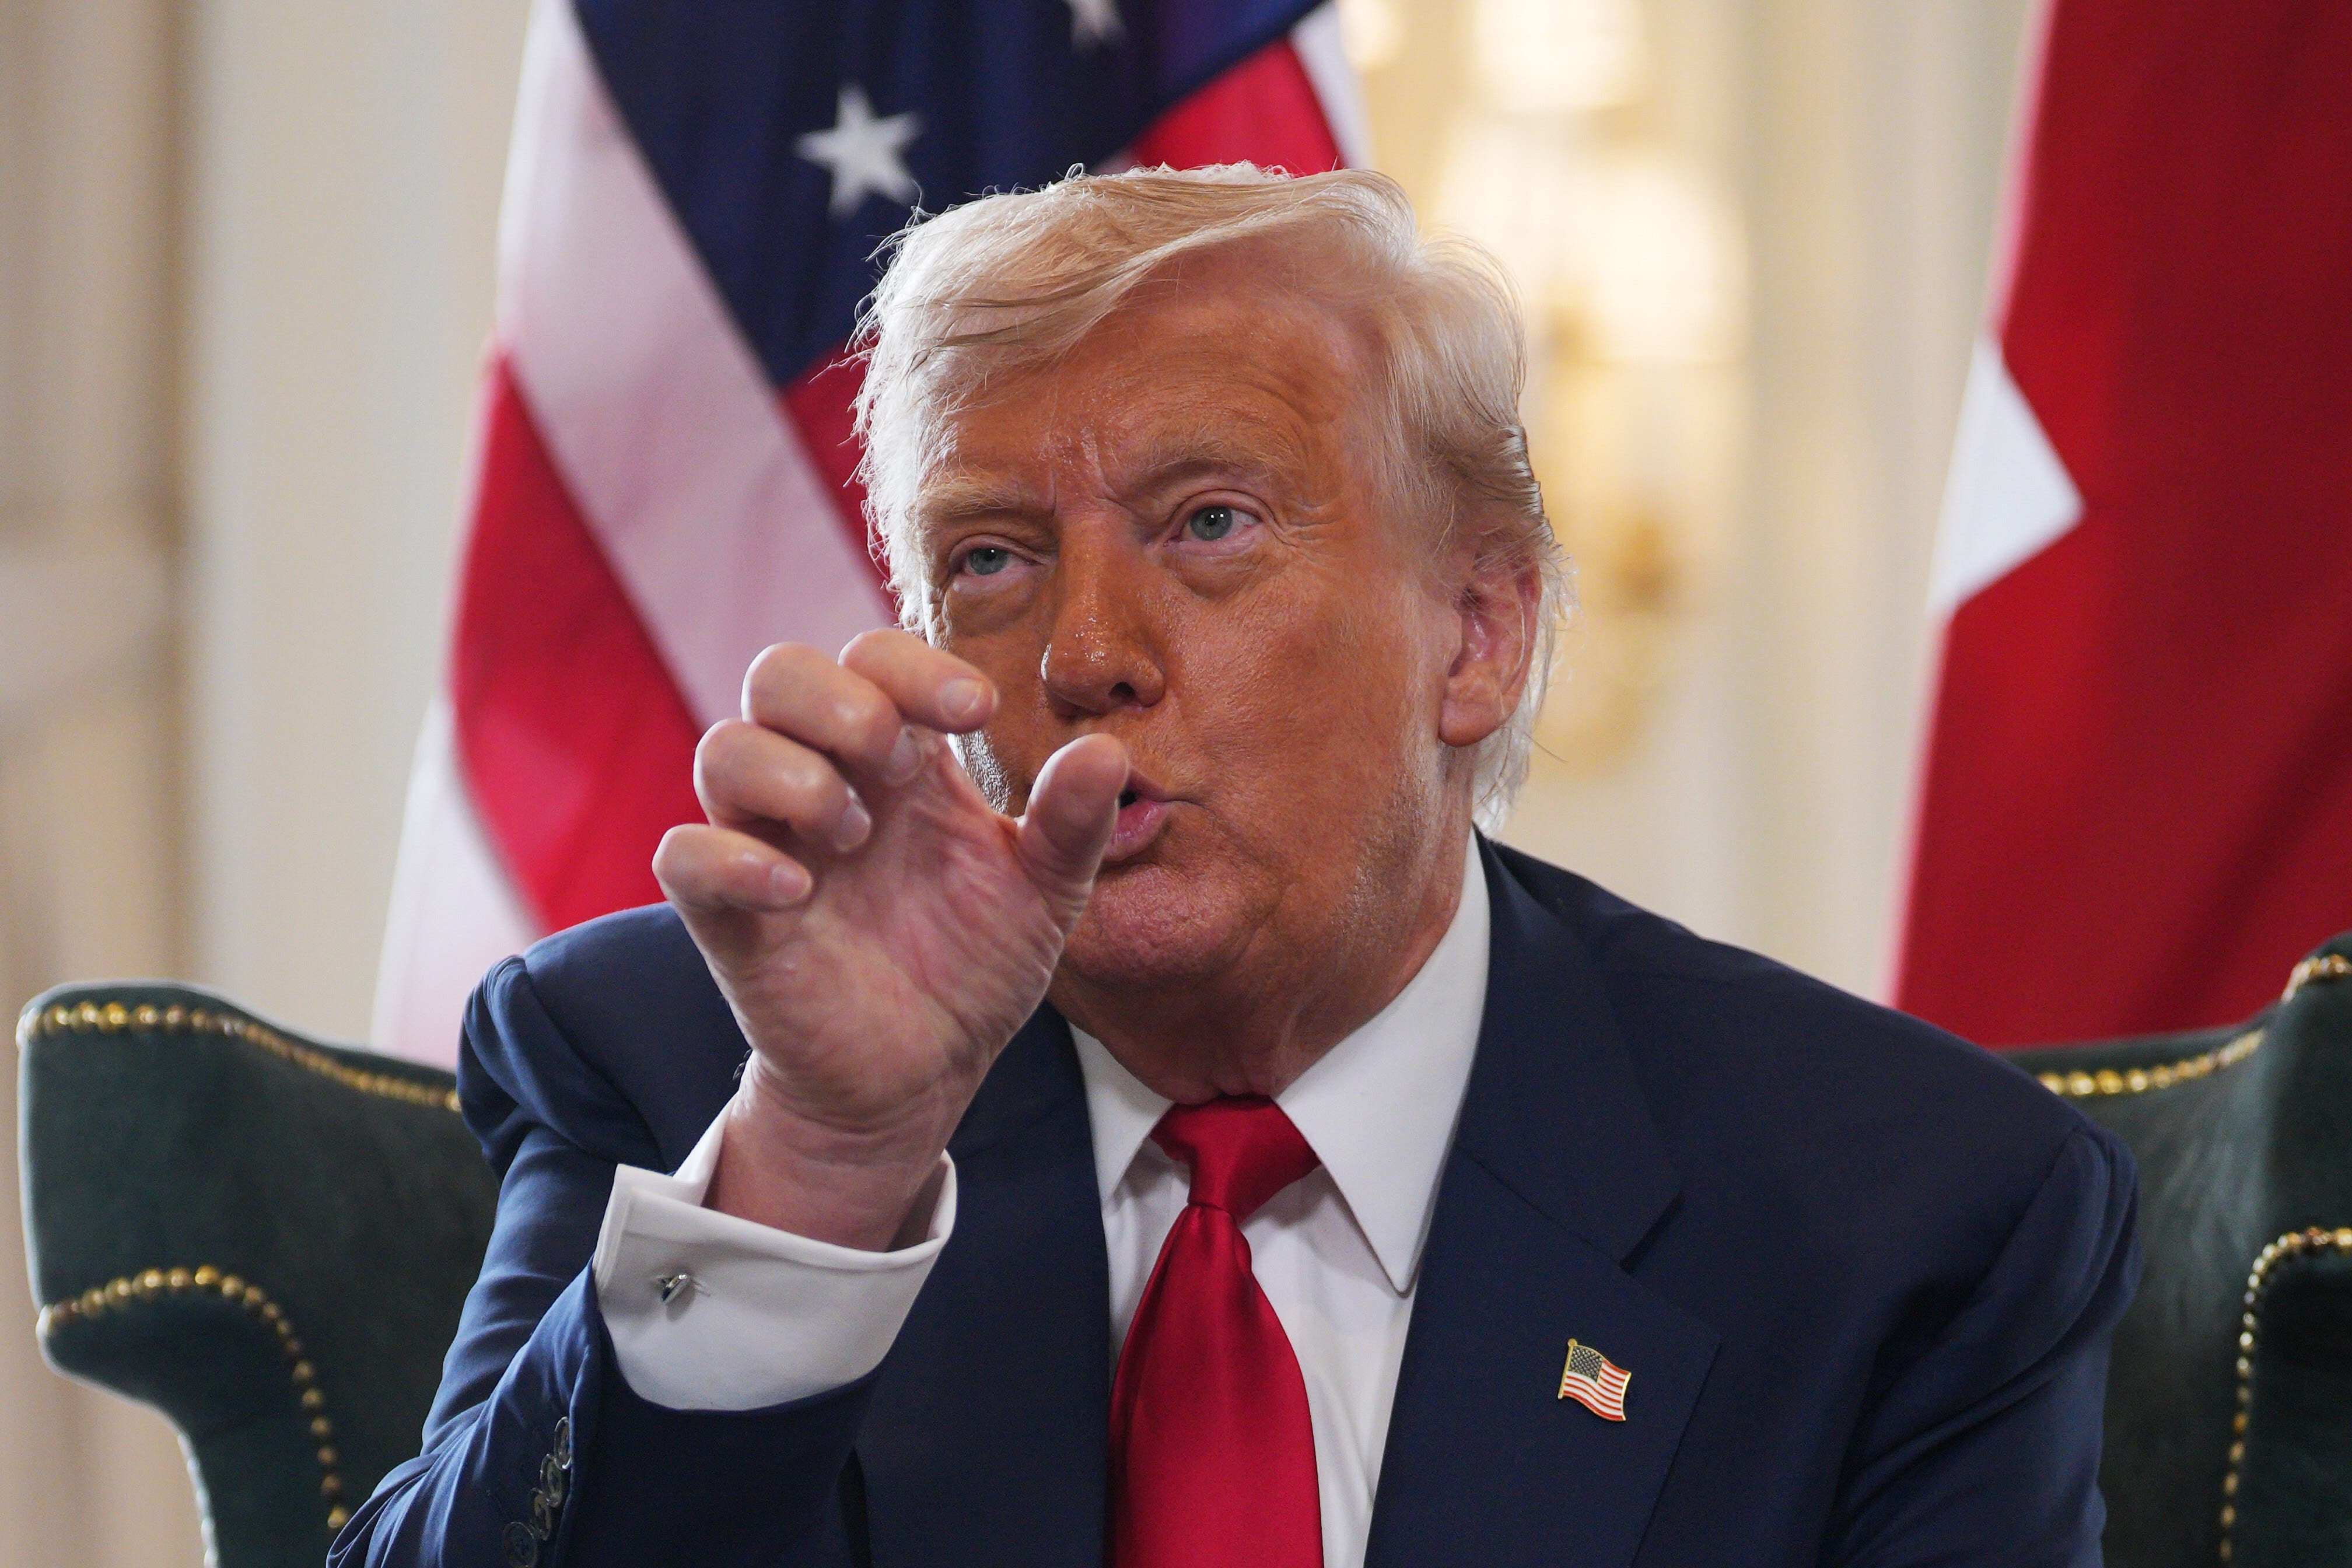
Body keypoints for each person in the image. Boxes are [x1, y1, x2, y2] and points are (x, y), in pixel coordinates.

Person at [335, 166, 2138, 1568]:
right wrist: (824, 1167)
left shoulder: (1901, 1216)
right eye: (988, 559)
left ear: (1478, 635)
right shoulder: (686, 1071)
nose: (1083, 653)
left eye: (1211, 525)